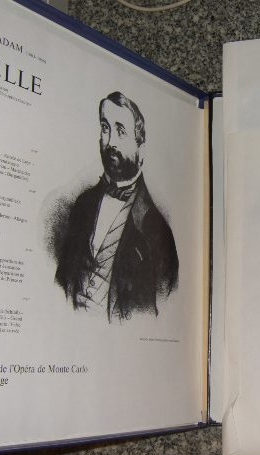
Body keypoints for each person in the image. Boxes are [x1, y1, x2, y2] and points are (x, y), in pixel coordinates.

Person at [55, 91, 178, 321]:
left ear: (141, 148)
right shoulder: (82, 205)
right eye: (105, 128)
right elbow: (61, 282)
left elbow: (159, 314)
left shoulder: (156, 229)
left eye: (121, 131)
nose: (110, 141)